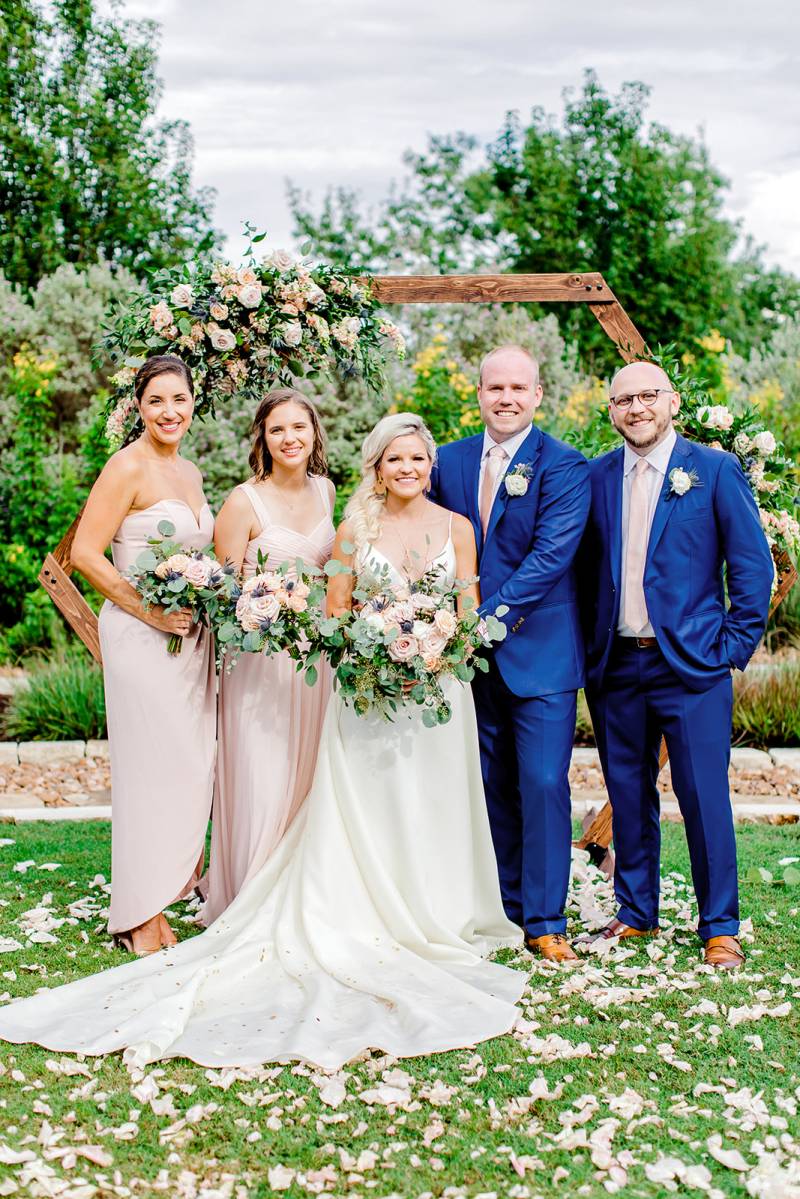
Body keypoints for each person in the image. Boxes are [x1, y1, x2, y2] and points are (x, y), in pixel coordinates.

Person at [0, 413, 524, 1071]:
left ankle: (439, 909)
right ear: (378, 468)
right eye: (396, 461)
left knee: (435, 802)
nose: (408, 469)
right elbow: (335, 607)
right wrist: (381, 643)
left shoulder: (455, 527)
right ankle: (322, 902)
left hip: (441, 689)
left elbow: (469, 604)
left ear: (430, 465)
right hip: (356, 680)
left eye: (417, 459)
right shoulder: (350, 528)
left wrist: (444, 643)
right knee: (361, 800)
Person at [577, 360, 774, 968]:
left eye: (647, 396)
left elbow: (752, 569)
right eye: (623, 399)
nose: (636, 408)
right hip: (616, 667)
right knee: (629, 796)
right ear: (610, 410)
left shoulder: (712, 471)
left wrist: (731, 651)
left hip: (692, 667)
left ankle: (720, 927)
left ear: (671, 403)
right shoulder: (596, 476)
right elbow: (584, 572)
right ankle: (636, 914)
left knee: (703, 795)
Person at [430, 345, 590, 963]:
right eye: (495, 388)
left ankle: (546, 918)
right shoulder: (451, 460)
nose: (506, 398)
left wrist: (484, 621)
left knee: (544, 783)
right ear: (479, 394)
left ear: (538, 395)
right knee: (489, 784)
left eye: (519, 389)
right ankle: (502, 907)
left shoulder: (565, 466)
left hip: (541, 655)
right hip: (466, 662)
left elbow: (551, 557)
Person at [69, 355, 216, 956]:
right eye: (156, 401)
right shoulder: (126, 465)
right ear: (138, 407)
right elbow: (85, 552)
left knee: (185, 768)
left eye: (179, 399)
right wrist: (149, 611)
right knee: (146, 771)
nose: (169, 411)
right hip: (140, 637)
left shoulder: (193, 473)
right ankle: (137, 915)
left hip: (188, 643)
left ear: (192, 403)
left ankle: (163, 888)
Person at [202, 390, 335, 924]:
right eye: (278, 429)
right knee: (263, 773)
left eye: (299, 427)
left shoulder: (327, 492)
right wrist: (268, 612)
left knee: (307, 775)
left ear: (314, 433)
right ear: (262, 436)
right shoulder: (243, 502)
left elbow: (335, 574)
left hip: (314, 663)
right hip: (259, 662)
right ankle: (252, 894)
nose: (290, 439)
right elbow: (222, 593)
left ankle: (299, 894)